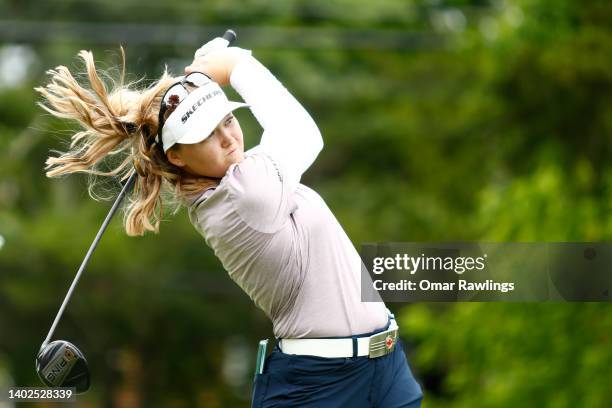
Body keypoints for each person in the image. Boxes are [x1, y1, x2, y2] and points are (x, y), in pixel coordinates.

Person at [36, 39, 424, 407]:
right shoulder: (243, 195)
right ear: (178, 157)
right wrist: (235, 64)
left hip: (387, 368)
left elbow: (278, 141)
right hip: (320, 387)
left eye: (227, 120)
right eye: (207, 134)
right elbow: (303, 134)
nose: (228, 139)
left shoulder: (236, 177)